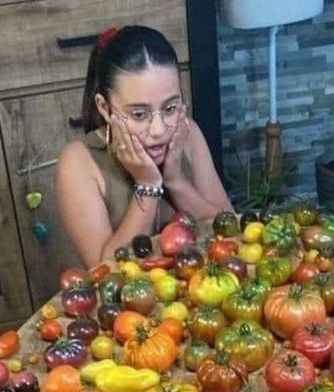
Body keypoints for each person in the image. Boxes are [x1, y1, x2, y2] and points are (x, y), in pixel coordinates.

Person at [56, 25, 232, 268]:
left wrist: (175, 180)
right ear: (105, 108)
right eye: (139, 114)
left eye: (170, 108)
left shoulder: (187, 132)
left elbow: (235, 234)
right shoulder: (79, 162)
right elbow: (104, 274)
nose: (159, 130)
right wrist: (148, 186)